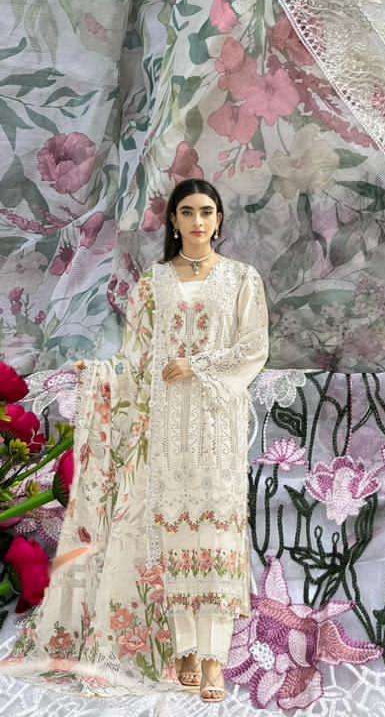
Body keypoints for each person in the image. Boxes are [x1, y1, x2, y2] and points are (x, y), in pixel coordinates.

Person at [5, 178, 269, 703]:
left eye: (207, 212)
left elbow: (253, 349)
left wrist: (196, 366)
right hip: (165, 428)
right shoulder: (155, 283)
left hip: (216, 427)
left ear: (219, 220)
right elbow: (137, 361)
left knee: (215, 536)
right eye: (188, 212)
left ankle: (214, 660)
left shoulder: (242, 279)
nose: (198, 221)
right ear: (173, 221)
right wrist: (100, 377)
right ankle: (185, 650)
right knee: (175, 536)